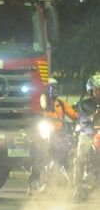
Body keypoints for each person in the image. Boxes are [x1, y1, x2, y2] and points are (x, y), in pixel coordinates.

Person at [28, 78, 78, 195]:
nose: (55, 90)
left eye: (56, 87)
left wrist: (83, 115)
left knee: (63, 158)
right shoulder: (40, 102)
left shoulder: (60, 103)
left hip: (59, 135)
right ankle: (33, 184)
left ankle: (71, 184)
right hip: (44, 134)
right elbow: (34, 117)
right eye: (52, 87)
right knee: (40, 158)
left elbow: (74, 115)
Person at [72, 74, 100, 202]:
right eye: (97, 89)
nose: (99, 92)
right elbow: (82, 119)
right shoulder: (84, 104)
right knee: (79, 160)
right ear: (91, 91)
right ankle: (77, 191)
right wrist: (91, 118)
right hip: (89, 135)